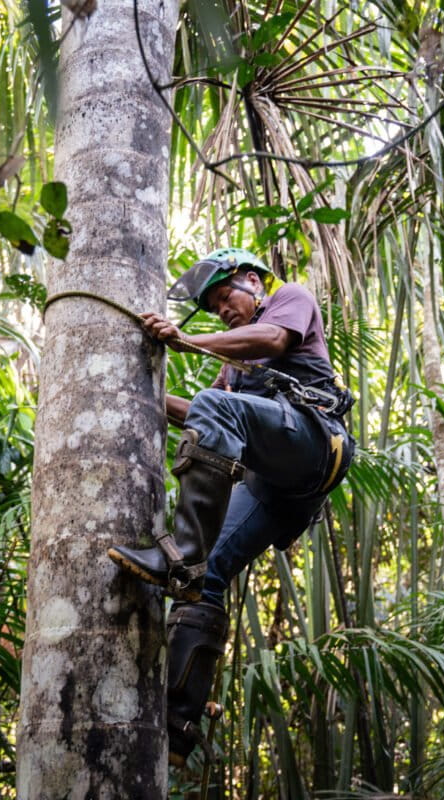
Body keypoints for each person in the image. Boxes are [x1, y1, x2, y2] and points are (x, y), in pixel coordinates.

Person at [107, 247, 354, 765]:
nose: (224, 310)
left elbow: (273, 340)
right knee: (212, 575)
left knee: (219, 412)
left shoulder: (289, 299)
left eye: (226, 298)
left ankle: (183, 555)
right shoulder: (232, 375)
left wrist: (187, 339)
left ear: (251, 281)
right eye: (215, 308)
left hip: (314, 441)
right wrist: (137, 400)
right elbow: (205, 410)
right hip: (274, 484)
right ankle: (179, 723)